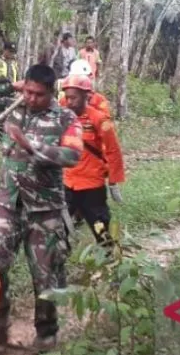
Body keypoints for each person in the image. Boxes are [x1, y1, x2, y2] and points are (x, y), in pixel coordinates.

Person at [0, 64, 84, 352]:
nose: (31, 99)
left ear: (52, 92)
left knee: (45, 276)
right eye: (28, 92)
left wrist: (32, 146)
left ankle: (46, 333)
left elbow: (72, 155)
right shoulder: (13, 108)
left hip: (45, 212)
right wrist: (8, 86)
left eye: (38, 94)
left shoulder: (65, 117)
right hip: (8, 205)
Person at [61, 74, 125, 251]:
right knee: (59, 229)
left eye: (73, 97)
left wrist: (113, 181)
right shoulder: (63, 116)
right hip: (68, 184)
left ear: (86, 96)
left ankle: (111, 261)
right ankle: (58, 264)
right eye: (67, 97)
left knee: (100, 228)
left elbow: (113, 150)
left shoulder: (100, 120)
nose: (69, 102)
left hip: (92, 186)